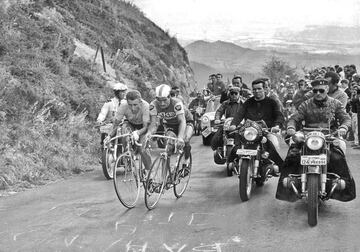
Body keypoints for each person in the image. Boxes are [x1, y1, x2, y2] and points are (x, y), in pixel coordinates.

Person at [276, 78, 356, 202]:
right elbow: (294, 118)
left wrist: (343, 128)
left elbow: (346, 118)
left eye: (321, 90)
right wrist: (291, 128)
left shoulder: (335, 103)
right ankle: (288, 184)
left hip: (330, 135)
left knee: (339, 153)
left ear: (327, 90)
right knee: (293, 154)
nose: (318, 93)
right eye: (315, 91)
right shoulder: (305, 104)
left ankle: (342, 183)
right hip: (307, 136)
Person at [227, 78, 285, 170]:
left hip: (267, 130)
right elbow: (239, 114)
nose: (256, 91)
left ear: (264, 89)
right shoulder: (248, 102)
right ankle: (234, 163)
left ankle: (277, 167)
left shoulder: (272, 102)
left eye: (259, 89)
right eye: (254, 89)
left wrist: (276, 125)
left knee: (274, 144)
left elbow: (279, 115)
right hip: (250, 131)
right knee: (236, 144)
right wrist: (234, 124)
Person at [146, 84, 193, 167]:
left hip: (186, 121)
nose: (162, 103)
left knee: (185, 139)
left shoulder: (176, 103)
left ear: (169, 97)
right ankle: (166, 176)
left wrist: (180, 137)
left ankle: (186, 160)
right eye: (159, 100)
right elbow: (153, 123)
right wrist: (149, 133)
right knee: (168, 144)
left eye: (164, 100)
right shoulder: (153, 105)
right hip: (170, 124)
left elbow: (182, 121)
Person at [211, 86, 243, 153]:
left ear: (239, 94)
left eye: (236, 93)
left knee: (249, 137)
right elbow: (219, 111)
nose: (234, 95)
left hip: (240, 124)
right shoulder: (225, 103)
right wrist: (217, 119)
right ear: (229, 94)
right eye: (232, 93)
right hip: (228, 123)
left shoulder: (244, 103)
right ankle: (219, 150)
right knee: (216, 138)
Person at [96, 82, 128, 147]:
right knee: (104, 132)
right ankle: (104, 148)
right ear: (117, 93)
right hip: (111, 124)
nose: (124, 93)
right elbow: (103, 113)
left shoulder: (127, 103)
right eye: (122, 92)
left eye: (124, 91)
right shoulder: (109, 103)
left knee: (127, 138)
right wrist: (99, 120)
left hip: (123, 125)